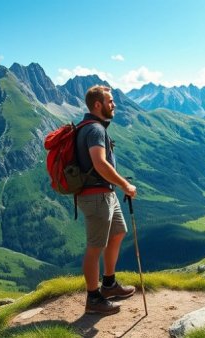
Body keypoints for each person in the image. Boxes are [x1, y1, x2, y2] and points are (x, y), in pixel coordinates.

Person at [76, 85, 137, 315]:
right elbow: (100, 163)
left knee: (119, 231)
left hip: (105, 194)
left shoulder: (94, 127)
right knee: (95, 248)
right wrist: (125, 185)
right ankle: (93, 298)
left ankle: (109, 284)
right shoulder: (94, 129)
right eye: (110, 101)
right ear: (98, 105)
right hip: (96, 197)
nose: (115, 105)